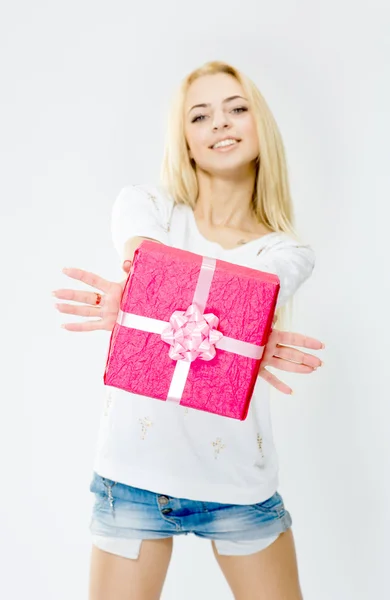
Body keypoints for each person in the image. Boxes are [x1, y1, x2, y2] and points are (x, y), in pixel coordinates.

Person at [53, 61, 324, 600]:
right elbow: (149, 260)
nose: (220, 124)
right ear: (186, 141)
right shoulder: (147, 206)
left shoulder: (285, 252)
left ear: (260, 126)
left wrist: (143, 310)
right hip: (132, 479)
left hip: (239, 486)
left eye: (237, 109)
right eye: (201, 115)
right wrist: (220, 329)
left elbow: (245, 293)